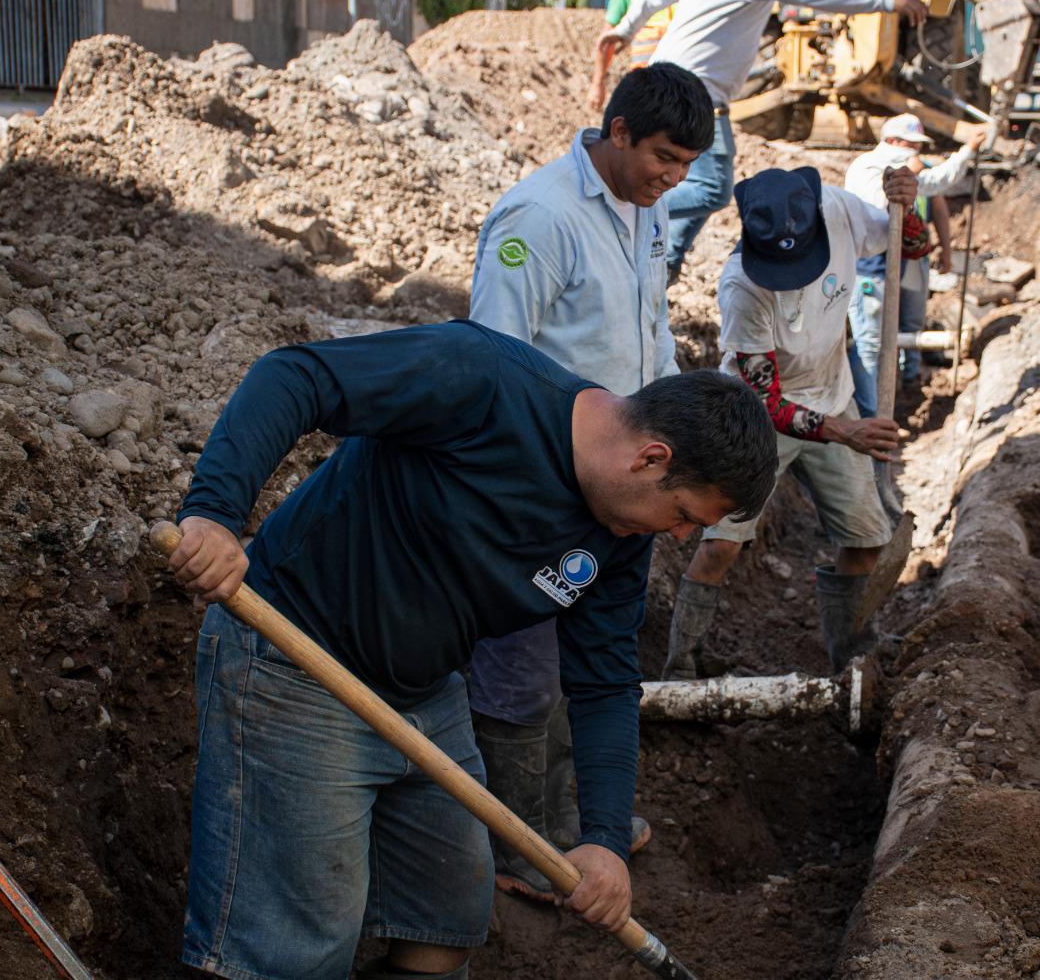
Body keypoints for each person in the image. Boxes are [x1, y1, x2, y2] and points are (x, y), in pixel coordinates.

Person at [166, 324, 777, 980]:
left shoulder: (621, 534)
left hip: (423, 690)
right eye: (685, 514)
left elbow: (604, 680)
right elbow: (296, 377)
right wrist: (213, 515)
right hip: (297, 662)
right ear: (650, 458)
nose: (683, 536)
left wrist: (603, 841)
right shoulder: (481, 381)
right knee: (300, 944)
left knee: (447, 914)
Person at [466, 62, 712, 904]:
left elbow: (651, 332)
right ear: (617, 132)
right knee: (521, 663)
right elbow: (493, 367)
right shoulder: (540, 219)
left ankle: (574, 817)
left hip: (627, 477)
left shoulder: (647, 209)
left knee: (591, 655)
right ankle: (512, 838)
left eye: (686, 165)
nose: (673, 178)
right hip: (548, 485)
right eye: (664, 157)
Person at [663, 164, 919, 680]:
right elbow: (768, 402)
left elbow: (907, 246)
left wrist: (907, 205)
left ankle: (852, 659)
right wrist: (846, 431)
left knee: (867, 540)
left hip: (834, 395)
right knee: (719, 546)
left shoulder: (841, 211)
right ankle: (680, 667)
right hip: (751, 420)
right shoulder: (742, 287)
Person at [597, 0, 931, 276]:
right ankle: (616, 210)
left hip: (671, 80)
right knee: (712, 189)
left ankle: (665, 261)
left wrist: (625, 28)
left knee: (697, 182)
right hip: (696, 92)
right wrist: (890, 1)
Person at [842, 114, 984, 410]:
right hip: (869, 270)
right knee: (869, 346)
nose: (915, 152)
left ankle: (906, 392)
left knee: (906, 327)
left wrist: (967, 151)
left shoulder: (910, 170)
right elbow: (876, 212)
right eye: (910, 144)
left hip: (903, 262)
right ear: (892, 142)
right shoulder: (869, 168)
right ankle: (871, 417)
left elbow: (937, 187)